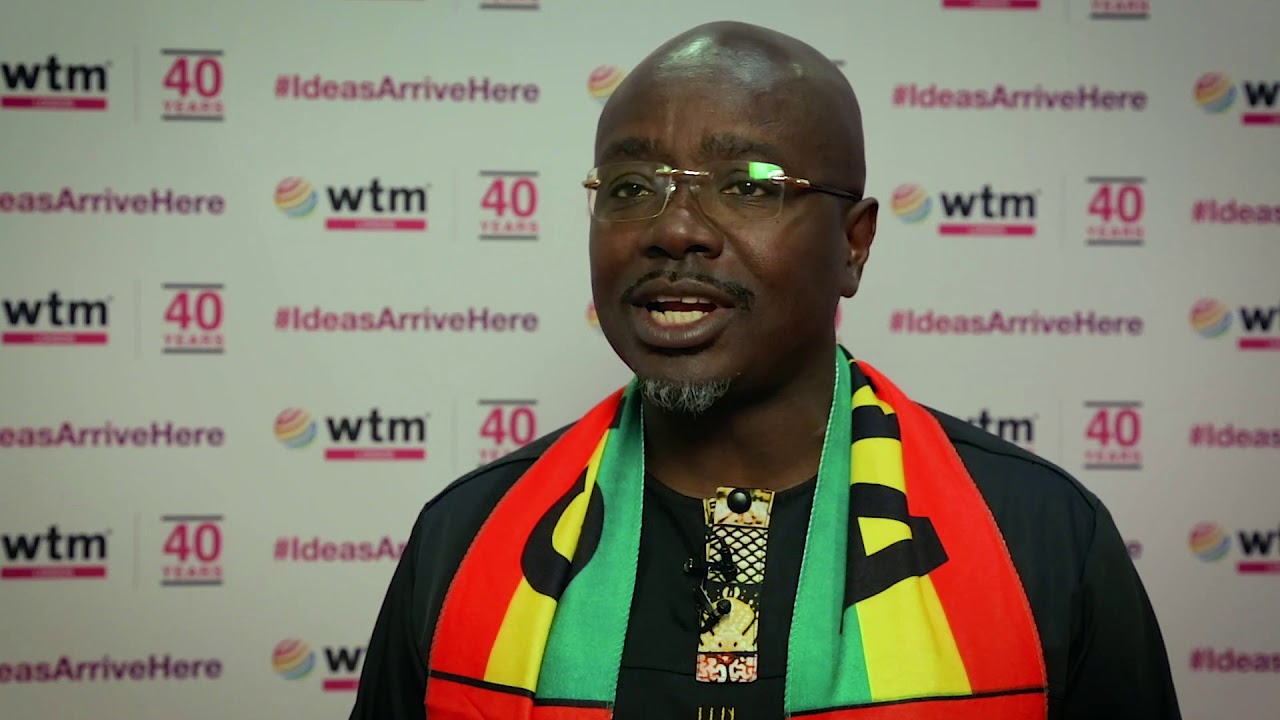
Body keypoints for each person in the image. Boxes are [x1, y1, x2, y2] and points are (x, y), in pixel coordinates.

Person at [349, 21, 1181, 720]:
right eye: (631, 186)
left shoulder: (1039, 539)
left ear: (853, 244)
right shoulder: (467, 539)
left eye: (747, 185)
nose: (675, 229)